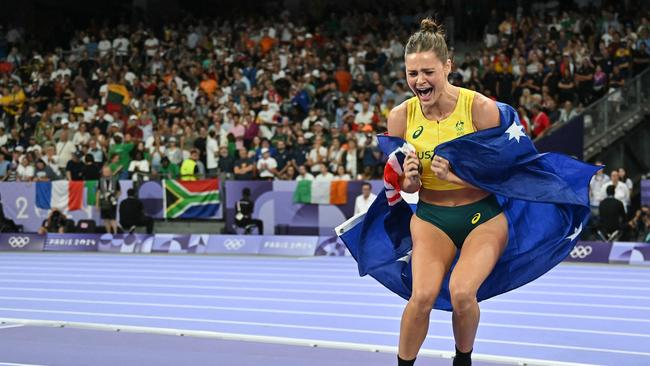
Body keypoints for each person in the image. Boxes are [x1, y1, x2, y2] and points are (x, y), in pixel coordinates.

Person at [340, 19, 597, 366]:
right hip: (432, 217)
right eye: (411, 73)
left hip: (483, 217)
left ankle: (463, 359)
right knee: (422, 296)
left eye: (428, 71)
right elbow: (406, 185)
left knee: (463, 294)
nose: (419, 81)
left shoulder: (480, 110)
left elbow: (508, 173)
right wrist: (411, 181)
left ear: (448, 66)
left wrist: (460, 178)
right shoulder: (401, 117)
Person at [97, 165, 121, 234]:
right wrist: (97, 204)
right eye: (105, 172)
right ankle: (108, 234)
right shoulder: (101, 180)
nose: (106, 173)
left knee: (112, 219)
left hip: (112, 203)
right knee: (105, 219)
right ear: (103, 173)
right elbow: (98, 192)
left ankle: (115, 234)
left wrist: (114, 198)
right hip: (103, 202)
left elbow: (119, 191)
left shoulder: (115, 180)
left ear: (110, 172)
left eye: (108, 171)